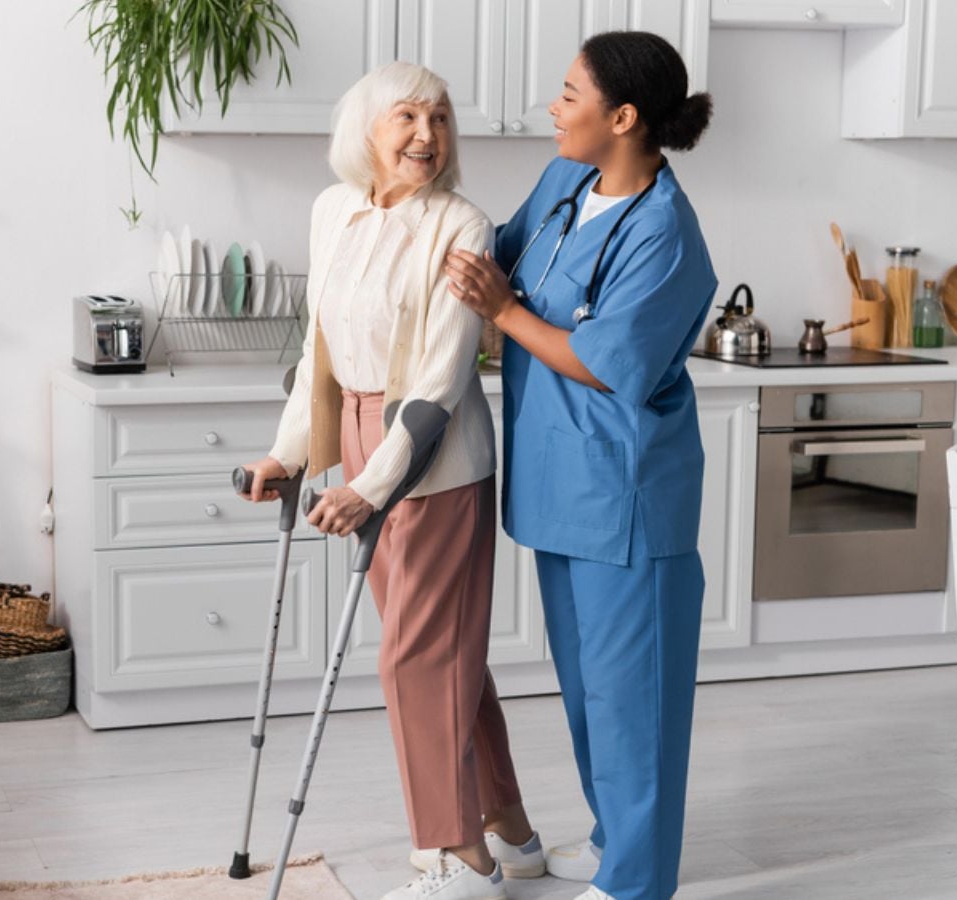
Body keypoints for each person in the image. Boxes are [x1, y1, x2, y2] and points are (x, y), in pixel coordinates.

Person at [240, 61, 541, 900]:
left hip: (432, 456)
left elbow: (443, 380)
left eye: (440, 118)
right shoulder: (332, 211)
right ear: (365, 132)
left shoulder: (463, 226)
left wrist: (369, 487)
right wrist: (291, 453)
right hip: (361, 430)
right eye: (406, 116)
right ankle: (508, 831)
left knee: (416, 658)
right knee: (446, 658)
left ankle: (455, 857)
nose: (426, 135)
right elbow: (320, 352)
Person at [442, 31, 718, 900]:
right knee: (590, 694)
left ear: (623, 117)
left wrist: (505, 314)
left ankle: (637, 883)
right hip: (559, 486)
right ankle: (611, 843)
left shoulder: (667, 233)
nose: (553, 110)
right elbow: (503, 260)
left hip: (627, 496)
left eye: (569, 94)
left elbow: (606, 360)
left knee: (636, 703)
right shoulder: (566, 182)